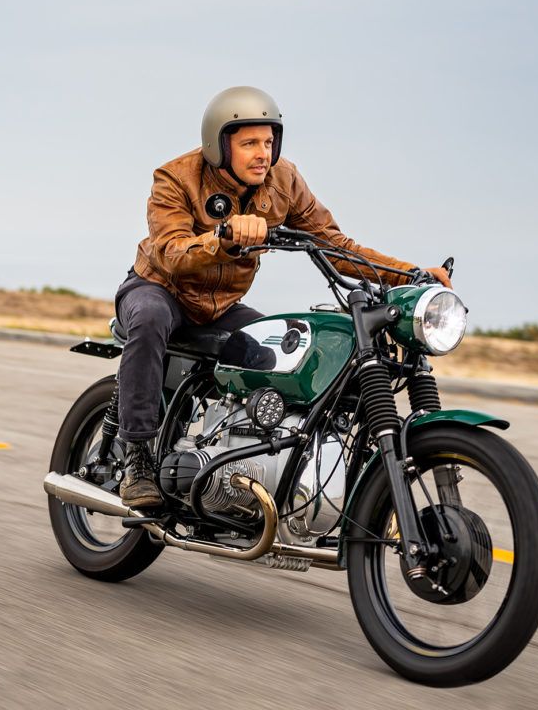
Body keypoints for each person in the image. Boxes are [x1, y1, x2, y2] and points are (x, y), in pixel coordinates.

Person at [114, 86, 451, 508]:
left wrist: (410, 274)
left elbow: (334, 243)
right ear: (219, 146)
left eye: (269, 142)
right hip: (159, 289)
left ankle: (239, 457)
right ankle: (138, 458)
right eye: (249, 143)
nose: (262, 153)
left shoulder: (283, 180)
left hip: (219, 309)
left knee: (280, 346)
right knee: (147, 319)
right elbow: (171, 252)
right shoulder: (175, 177)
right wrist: (224, 237)